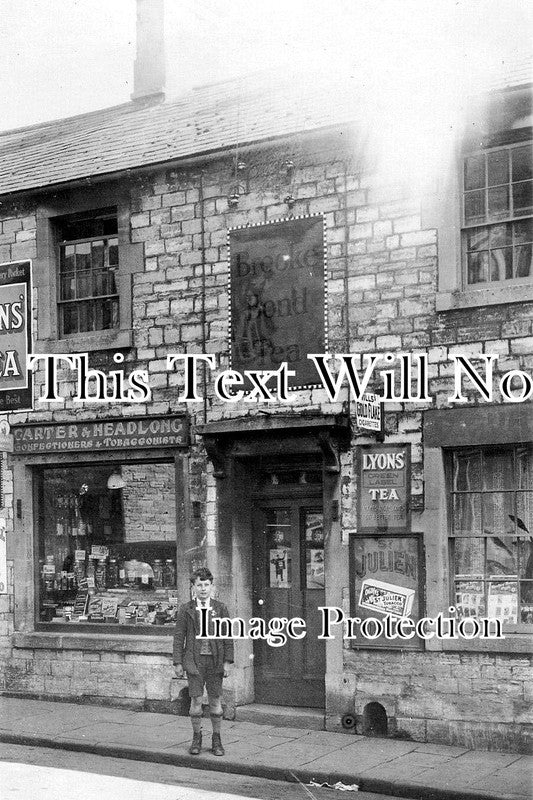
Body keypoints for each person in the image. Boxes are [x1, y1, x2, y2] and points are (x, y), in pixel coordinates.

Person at [173, 567, 233, 756]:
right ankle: (196, 738)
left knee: (215, 700)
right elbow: (178, 636)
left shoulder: (220, 608)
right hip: (194, 662)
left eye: (206, 585)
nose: (203, 589)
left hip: (215, 662)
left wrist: (227, 662)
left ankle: (217, 739)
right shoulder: (186, 609)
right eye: (199, 585)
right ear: (193, 587)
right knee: (196, 700)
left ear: (212, 586)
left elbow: (227, 636)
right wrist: (178, 662)